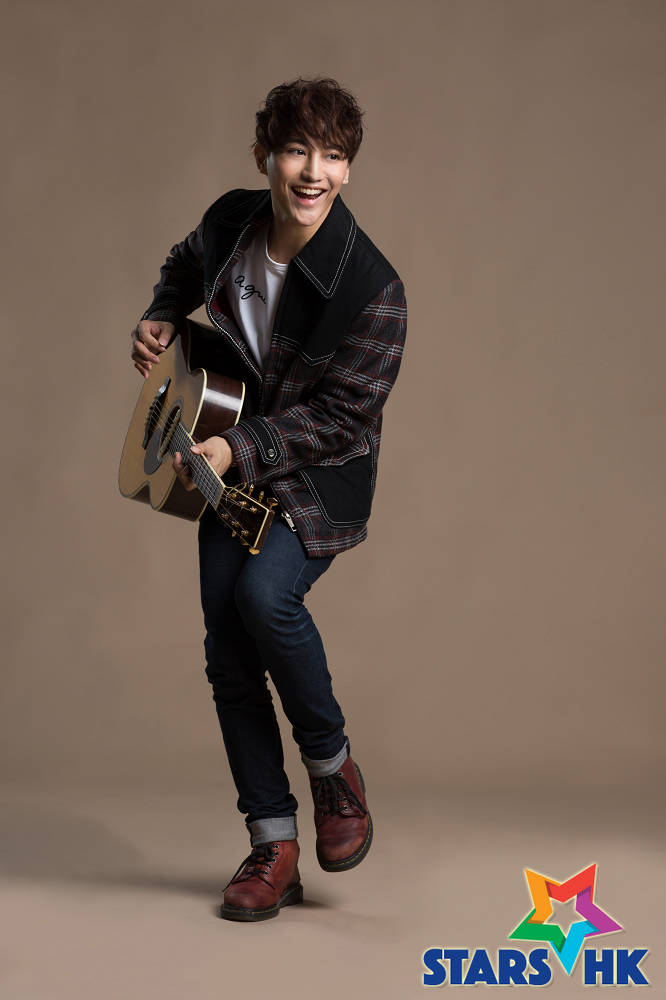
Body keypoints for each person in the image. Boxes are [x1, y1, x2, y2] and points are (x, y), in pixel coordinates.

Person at [130, 77, 407, 922]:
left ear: (348, 169)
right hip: (228, 448)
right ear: (266, 157)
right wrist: (163, 313)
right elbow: (185, 264)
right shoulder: (231, 221)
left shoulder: (375, 290)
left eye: (333, 155)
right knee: (227, 648)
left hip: (317, 473)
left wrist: (238, 447)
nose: (313, 171)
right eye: (296, 150)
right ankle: (274, 845)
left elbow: (342, 417)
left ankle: (333, 768)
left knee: (264, 597)